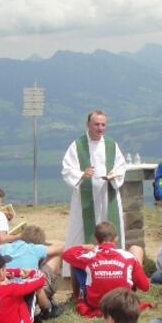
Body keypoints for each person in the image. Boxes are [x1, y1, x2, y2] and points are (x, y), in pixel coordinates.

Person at [61, 109, 128, 273]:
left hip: (107, 195)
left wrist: (114, 175)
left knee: (110, 227)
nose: (100, 128)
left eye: (103, 125)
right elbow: (67, 169)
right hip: (86, 199)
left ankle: (113, 265)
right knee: (81, 230)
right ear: (88, 125)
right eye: (97, 124)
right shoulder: (78, 145)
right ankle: (76, 269)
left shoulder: (111, 145)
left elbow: (121, 166)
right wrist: (82, 174)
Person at [62, 221, 150, 317]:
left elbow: (66, 254)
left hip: (96, 303)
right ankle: (133, 278)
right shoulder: (128, 256)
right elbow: (145, 287)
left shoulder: (90, 255)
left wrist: (84, 247)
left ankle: (76, 296)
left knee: (75, 261)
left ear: (96, 239)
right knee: (135, 255)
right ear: (116, 238)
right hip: (123, 301)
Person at [0, 224, 63, 317]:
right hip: (29, 292)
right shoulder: (34, 248)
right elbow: (60, 247)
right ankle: (48, 303)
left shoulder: (3, 248)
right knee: (56, 256)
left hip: (6, 293)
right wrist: (45, 246)